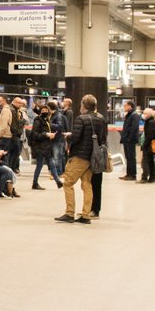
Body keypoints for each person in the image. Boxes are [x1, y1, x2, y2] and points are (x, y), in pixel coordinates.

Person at [55, 94, 104, 224]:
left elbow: (76, 138)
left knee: (67, 183)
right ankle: (86, 215)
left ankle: (69, 213)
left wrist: (68, 136)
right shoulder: (100, 119)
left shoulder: (81, 119)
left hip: (79, 156)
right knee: (87, 185)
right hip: (92, 157)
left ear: (83, 106)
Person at [28, 104, 61, 190]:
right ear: (40, 112)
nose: (45, 112)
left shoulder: (46, 120)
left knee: (52, 165)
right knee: (40, 165)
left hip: (46, 147)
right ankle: (35, 183)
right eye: (43, 110)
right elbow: (34, 134)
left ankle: (58, 182)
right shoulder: (38, 121)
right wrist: (46, 134)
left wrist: (50, 135)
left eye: (46, 110)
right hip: (40, 147)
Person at [119, 101, 141, 181]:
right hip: (126, 139)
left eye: (125, 106)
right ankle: (128, 174)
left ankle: (133, 175)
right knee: (128, 157)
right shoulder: (129, 115)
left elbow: (134, 128)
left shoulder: (134, 115)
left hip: (130, 140)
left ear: (130, 106)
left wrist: (129, 138)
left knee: (131, 157)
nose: (124, 107)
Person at [139, 108, 155, 184]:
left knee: (145, 161)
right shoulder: (151, 121)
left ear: (149, 115)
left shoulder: (151, 123)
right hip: (151, 145)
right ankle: (152, 178)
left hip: (149, 145)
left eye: (145, 113)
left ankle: (144, 177)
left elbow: (149, 135)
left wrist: (145, 144)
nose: (143, 115)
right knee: (151, 161)